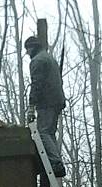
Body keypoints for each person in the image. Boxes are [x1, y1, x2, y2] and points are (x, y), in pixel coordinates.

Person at [24, 35, 66, 178]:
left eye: (27, 50)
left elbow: (37, 84)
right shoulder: (49, 58)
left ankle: (55, 162)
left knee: (43, 132)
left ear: (31, 48)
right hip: (56, 100)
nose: (27, 54)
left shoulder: (38, 61)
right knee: (49, 133)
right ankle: (55, 162)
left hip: (47, 101)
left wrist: (31, 106)